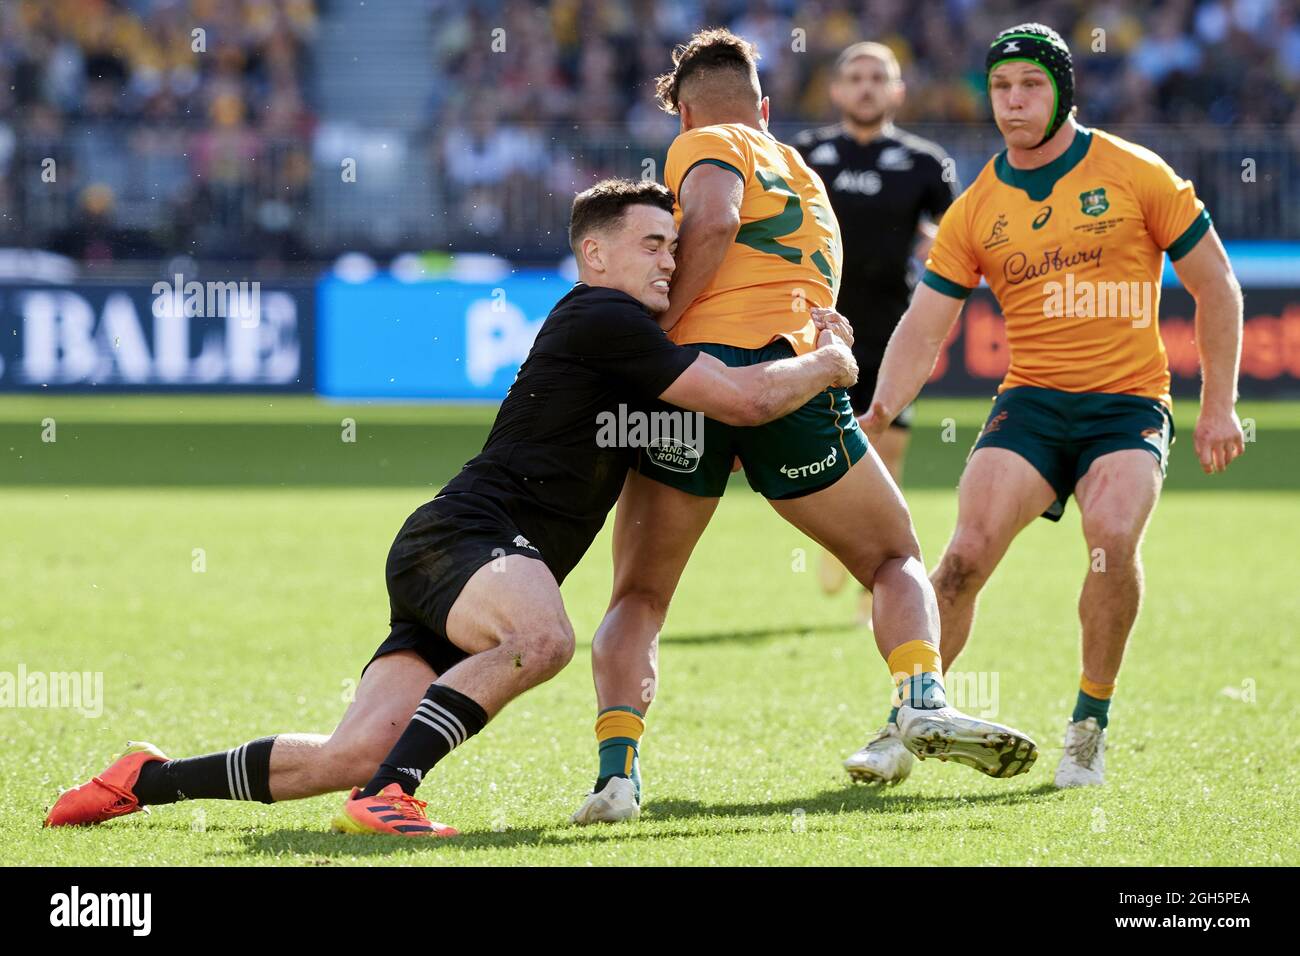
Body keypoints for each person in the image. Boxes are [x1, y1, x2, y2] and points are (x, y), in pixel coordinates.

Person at [44, 178, 861, 836]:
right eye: (652, 243)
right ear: (594, 252)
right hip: (472, 539)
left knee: (348, 752)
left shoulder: (623, 332)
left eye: (675, 246)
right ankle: (395, 793)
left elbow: (706, 405)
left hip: (451, 552)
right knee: (541, 640)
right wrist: (827, 363)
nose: (668, 260)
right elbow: (740, 402)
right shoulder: (604, 314)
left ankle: (144, 782)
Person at [574, 29, 1038, 827]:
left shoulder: (700, 143)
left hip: (692, 384)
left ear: (684, 110)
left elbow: (713, 220)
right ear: (765, 106)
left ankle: (618, 776)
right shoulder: (803, 173)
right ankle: (921, 697)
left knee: (642, 593)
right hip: (794, 379)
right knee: (893, 557)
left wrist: (663, 333)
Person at [850, 23, 1245, 789]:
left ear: (1062, 90)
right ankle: (905, 722)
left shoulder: (1134, 171)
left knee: (1112, 539)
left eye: (1031, 85)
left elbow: (1216, 286)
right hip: (1030, 405)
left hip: (1127, 406)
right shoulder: (977, 207)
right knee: (960, 561)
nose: (1014, 101)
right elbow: (925, 324)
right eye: (1001, 87)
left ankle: (1088, 728)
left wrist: (1220, 404)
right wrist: (880, 408)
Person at [794, 41, 960, 631]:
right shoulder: (805, 154)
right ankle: (838, 538)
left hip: (892, 324)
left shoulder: (924, 161)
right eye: (855, 77)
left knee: (884, 449)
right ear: (836, 90)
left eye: (878, 78)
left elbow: (952, 233)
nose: (865, 87)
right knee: (818, 444)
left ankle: (877, 572)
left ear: (897, 91)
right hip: (816, 322)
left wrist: (936, 243)